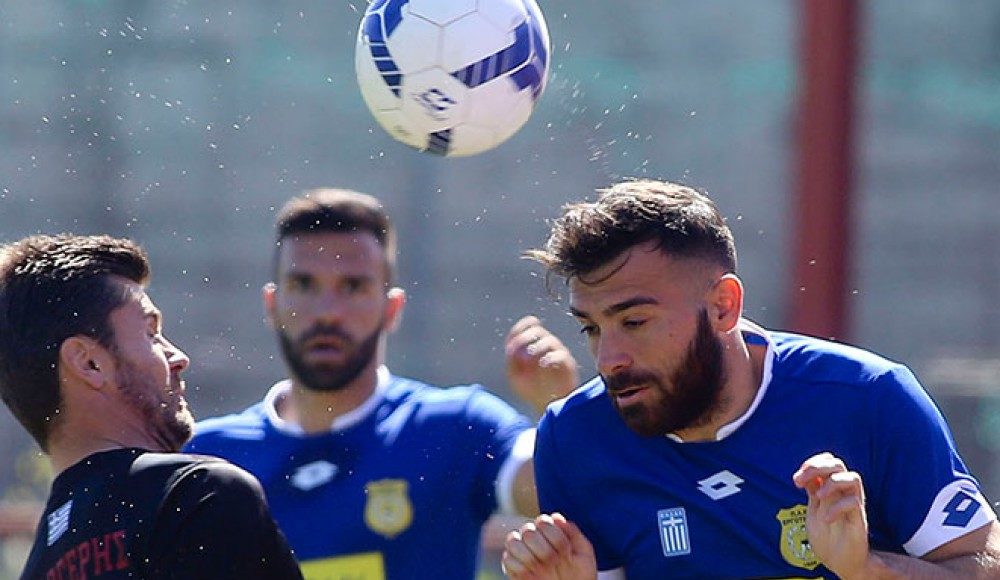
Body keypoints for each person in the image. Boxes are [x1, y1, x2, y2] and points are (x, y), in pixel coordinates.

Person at [500, 179, 1000, 579]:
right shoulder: (575, 438)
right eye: (591, 328)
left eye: (634, 322)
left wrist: (863, 569)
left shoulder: (867, 399)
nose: (609, 359)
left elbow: (984, 566)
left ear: (723, 306)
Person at [185, 188, 579, 579]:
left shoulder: (454, 429)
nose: (327, 312)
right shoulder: (206, 460)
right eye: (304, 284)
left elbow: (562, 495)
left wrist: (559, 409)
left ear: (392, 308)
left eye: (353, 286)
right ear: (272, 305)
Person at [0, 234, 303, 580]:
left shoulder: (39, 566)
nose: (179, 357)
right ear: (89, 364)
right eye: (151, 333)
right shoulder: (196, 496)